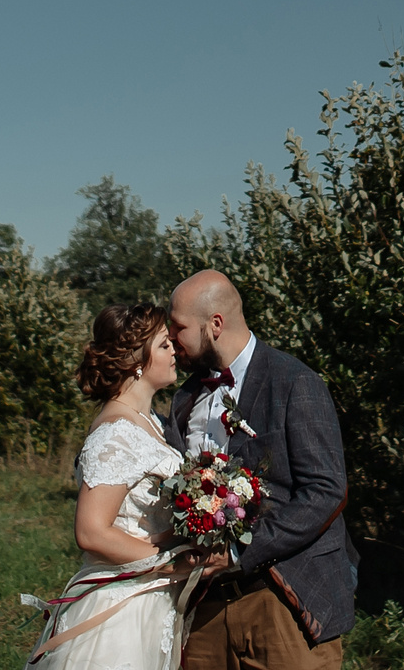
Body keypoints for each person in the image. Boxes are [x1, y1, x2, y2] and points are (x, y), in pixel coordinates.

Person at [165, 270, 355, 670]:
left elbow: (326, 491)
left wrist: (238, 551)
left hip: (284, 603)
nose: (171, 340)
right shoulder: (184, 398)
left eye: (178, 327)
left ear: (214, 325)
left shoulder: (296, 382)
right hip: (203, 612)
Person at [22, 302, 196, 668]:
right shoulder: (116, 433)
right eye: (164, 345)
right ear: (137, 360)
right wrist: (168, 564)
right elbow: (91, 532)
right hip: (120, 610)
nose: (174, 352)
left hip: (151, 602)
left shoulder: (152, 423)